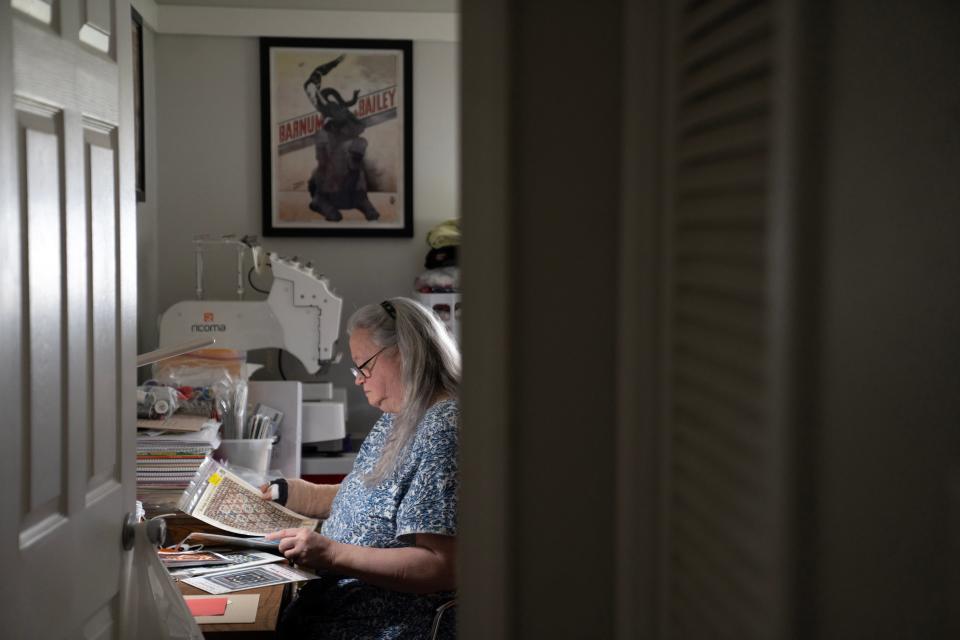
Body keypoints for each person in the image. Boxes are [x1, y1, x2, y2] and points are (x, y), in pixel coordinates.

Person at [263, 297, 460, 639]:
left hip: (385, 625)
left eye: (362, 366)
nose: (358, 379)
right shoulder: (399, 417)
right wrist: (292, 493)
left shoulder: (443, 428)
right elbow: (372, 496)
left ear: (405, 353)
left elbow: (439, 567)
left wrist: (331, 553)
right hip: (334, 608)